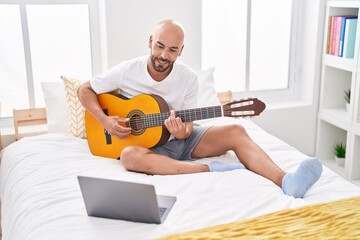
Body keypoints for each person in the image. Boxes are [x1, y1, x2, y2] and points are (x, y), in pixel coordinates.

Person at [77, 19, 323, 199]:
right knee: (130, 157)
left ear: (181, 50)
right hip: (147, 147)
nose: (164, 55)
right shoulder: (127, 70)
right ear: (151, 42)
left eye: (173, 50)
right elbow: (84, 90)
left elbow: (188, 126)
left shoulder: (188, 78)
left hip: (180, 140)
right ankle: (210, 169)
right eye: (160, 46)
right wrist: (105, 121)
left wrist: (183, 132)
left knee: (236, 129)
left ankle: (286, 181)